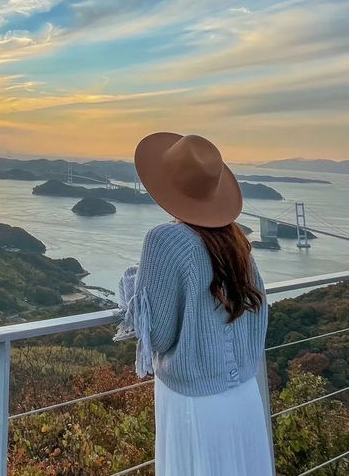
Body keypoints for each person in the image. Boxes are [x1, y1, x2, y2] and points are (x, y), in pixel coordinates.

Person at [116, 132, 272, 476]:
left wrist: (132, 285)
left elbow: (156, 335)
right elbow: (257, 314)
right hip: (245, 395)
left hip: (194, 404)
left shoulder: (165, 240)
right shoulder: (237, 243)